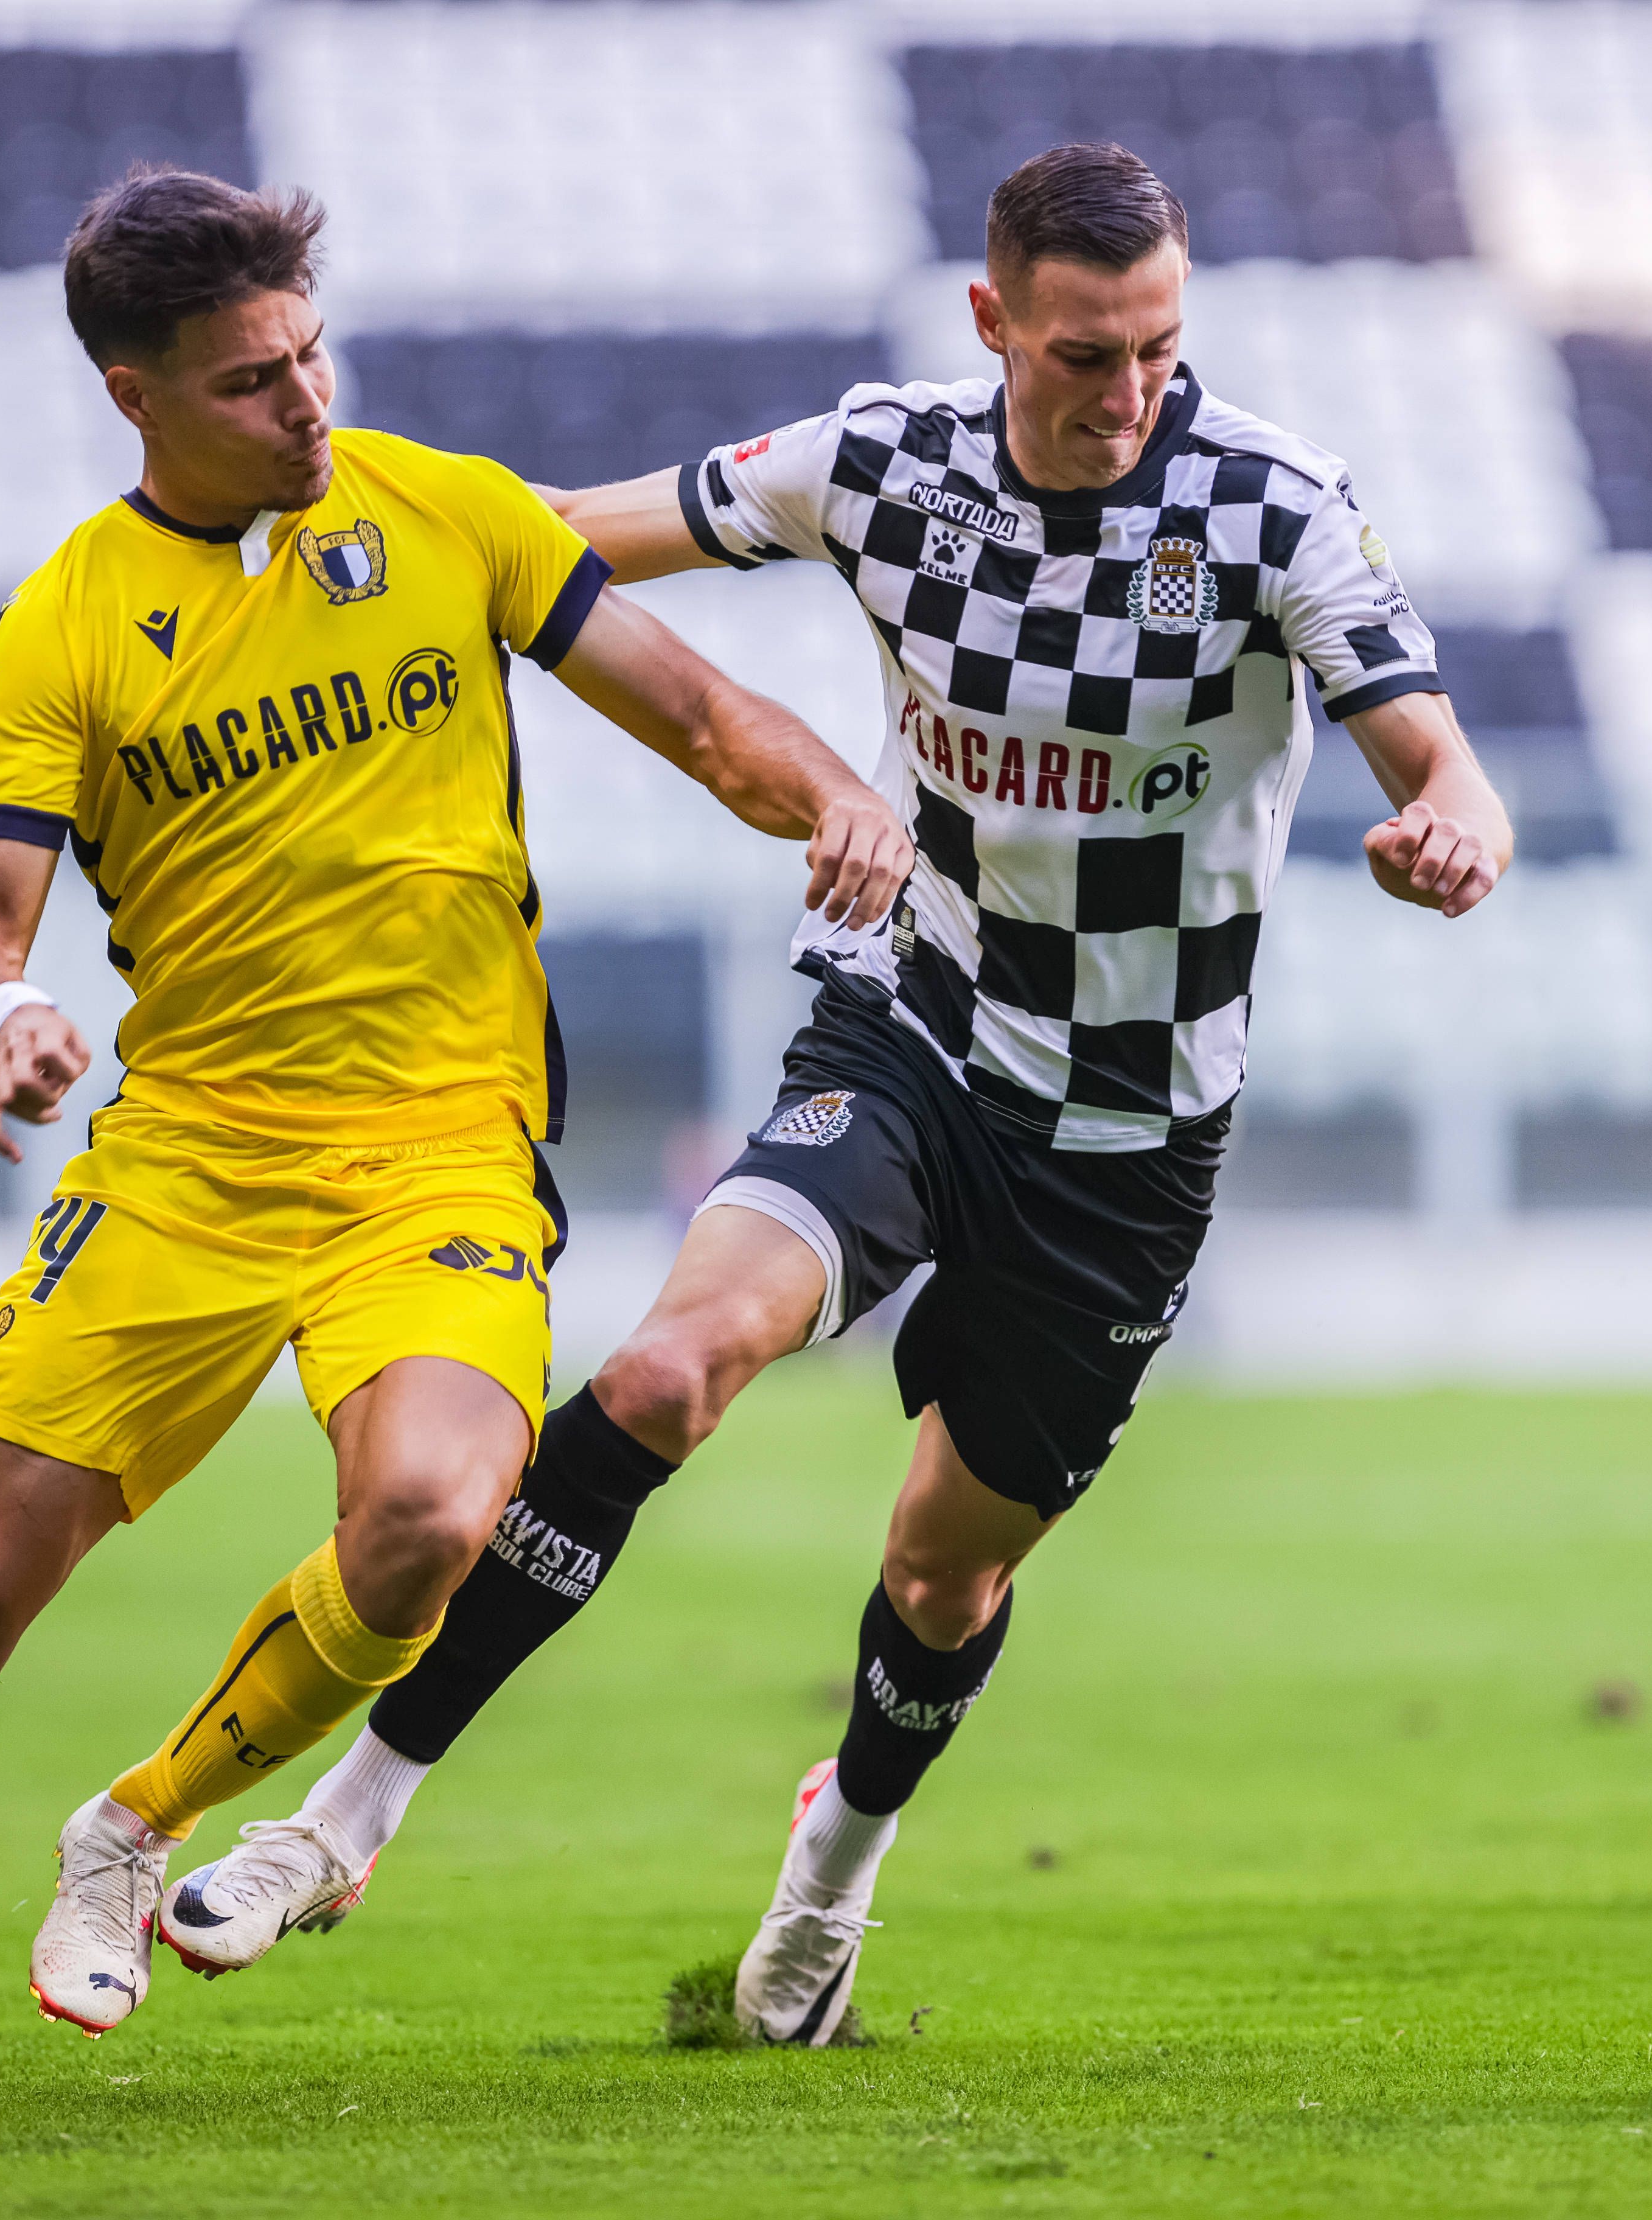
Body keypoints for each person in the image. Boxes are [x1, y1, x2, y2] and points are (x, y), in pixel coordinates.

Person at [155, 142, 1510, 2044]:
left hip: (1127, 1135)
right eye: (1080, 356)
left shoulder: (1273, 506)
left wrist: (1451, 824)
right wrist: (289, 533)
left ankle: (836, 1864)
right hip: (913, 1031)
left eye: (1155, 351)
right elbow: (543, 541)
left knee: (939, 1578)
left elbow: (1443, 761)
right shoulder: (885, 462)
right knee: (661, 1370)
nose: (1126, 396)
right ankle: (349, 1816)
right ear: (990, 323)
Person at [0, 168, 910, 2099]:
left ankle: (137, 1826)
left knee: (426, 1519)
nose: (309, 401)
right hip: (189, 1163)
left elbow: (711, 714)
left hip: (442, 1152)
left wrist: (836, 797)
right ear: (134, 393)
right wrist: (10, 1017)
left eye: (314, 352)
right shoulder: (67, 626)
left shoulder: (446, 509)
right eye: (254, 381)